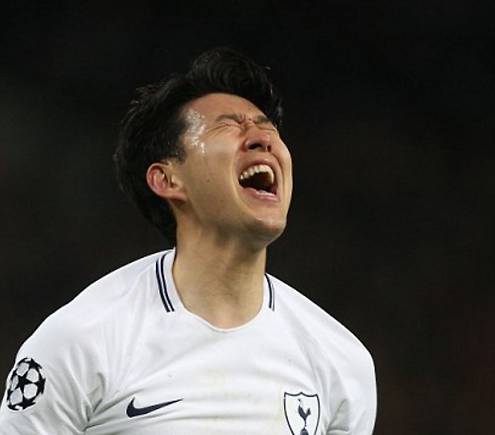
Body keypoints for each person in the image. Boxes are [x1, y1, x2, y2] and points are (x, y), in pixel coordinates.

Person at [0, 48, 377, 434]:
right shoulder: (81, 342)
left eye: (267, 127)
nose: (263, 139)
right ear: (167, 179)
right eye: (229, 126)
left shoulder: (340, 363)